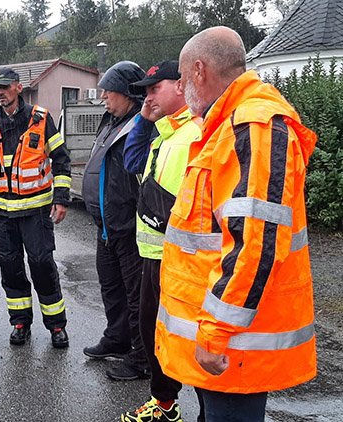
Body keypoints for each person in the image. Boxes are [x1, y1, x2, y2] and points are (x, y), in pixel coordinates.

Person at [156, 26, 317, 421]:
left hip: (234, 346)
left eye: (180, 76)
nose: (179, 87)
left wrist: (214, 333)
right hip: (224, 342)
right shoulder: (226, 126)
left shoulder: (252, 127)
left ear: (198, 70)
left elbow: (255, 244)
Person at [120, 60, 204, 422]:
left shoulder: (196, 134)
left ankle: (207, 412)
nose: (148, 96)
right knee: (155, 333)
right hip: (154, 255)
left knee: (188, 338)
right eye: (145, 91)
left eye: (155, 89)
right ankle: (165, 405)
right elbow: (132, 161)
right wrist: (145, 116)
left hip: (183, 259)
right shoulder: (165, 134)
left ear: (181, 86)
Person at [0, 67, 72, 348]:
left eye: (5, 87)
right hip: (2, 215)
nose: (0, 93)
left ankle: (56, 326)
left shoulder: (41, 120)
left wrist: (61, 198)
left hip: (35, 212)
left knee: (42, 265)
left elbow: (62, 160)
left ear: (20, 88)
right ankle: (20, 323)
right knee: (10, 268)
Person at [81, 61, 151, 380]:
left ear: (128, 93)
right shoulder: (110, 121)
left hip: (129, 226)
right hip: (105, 226)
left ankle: (141, 357)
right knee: (111, 288)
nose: (104, 96)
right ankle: (117, 339)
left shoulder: (142, 123)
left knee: (137, 296)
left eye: (109, 91)